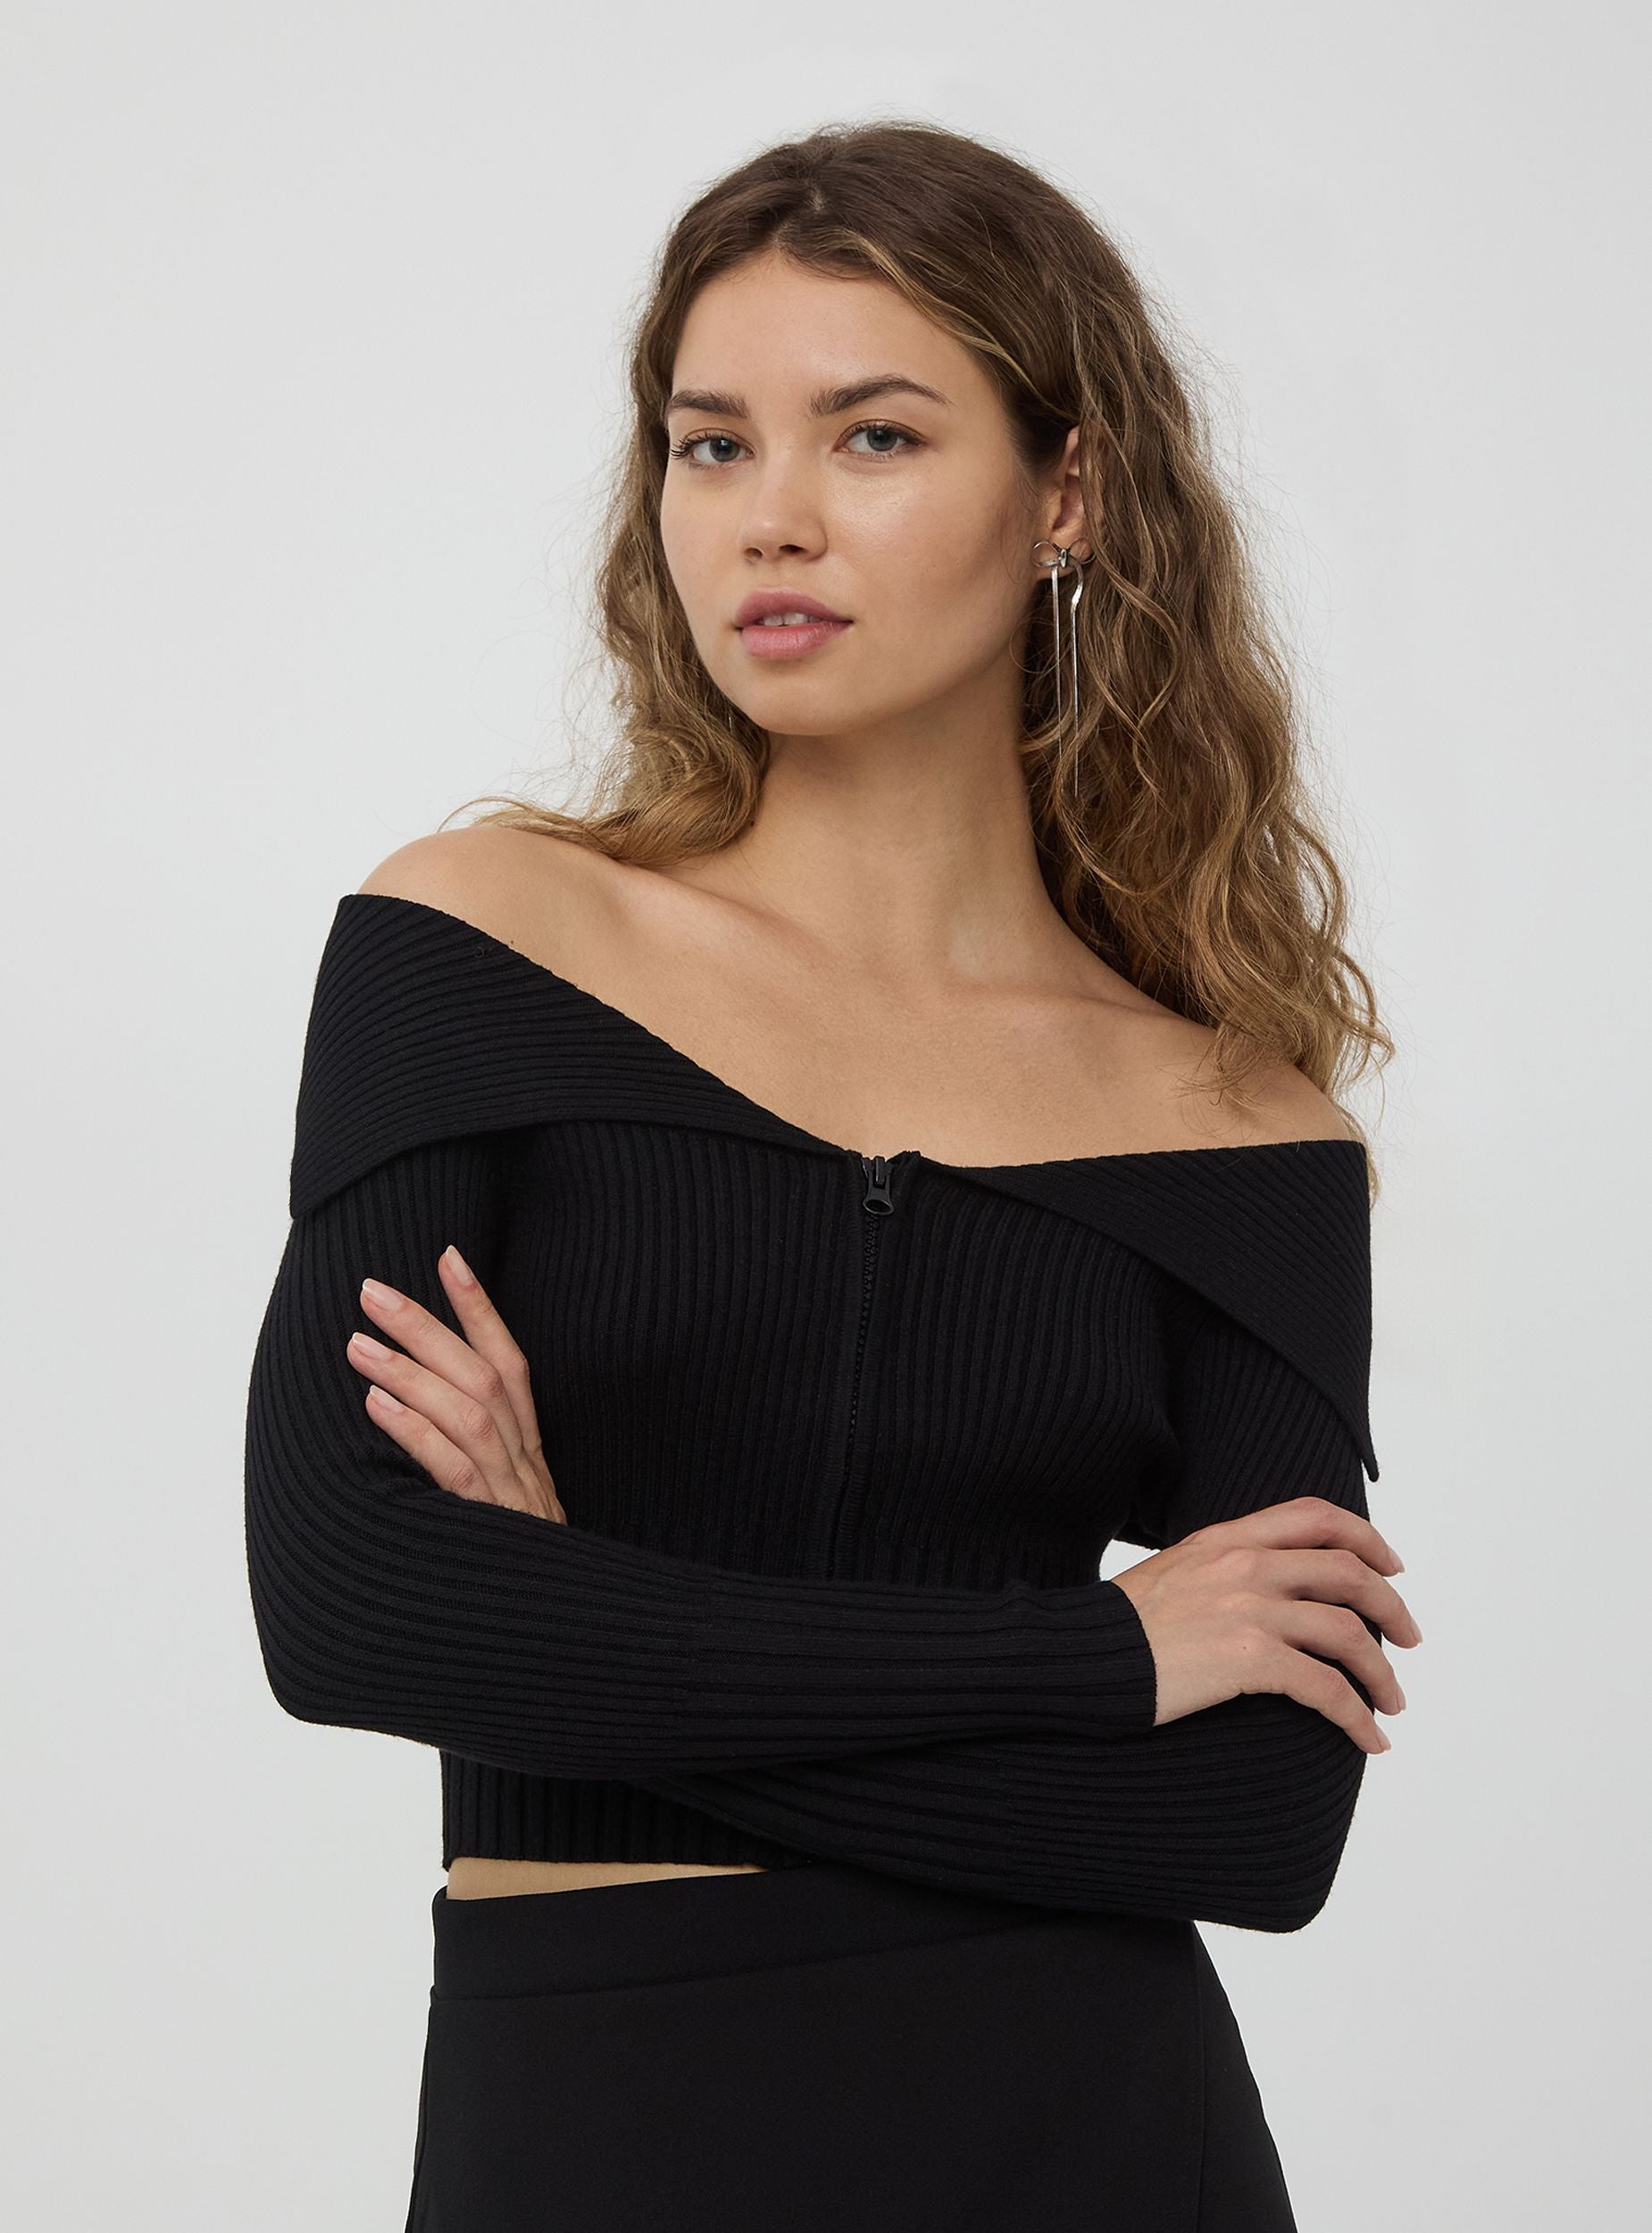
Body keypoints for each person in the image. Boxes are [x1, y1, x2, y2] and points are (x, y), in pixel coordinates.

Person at [244, 119, 1420, 2232]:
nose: (770, 514)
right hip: (589, 2122)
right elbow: (355, 1605)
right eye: (712, 444)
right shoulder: (485, 944)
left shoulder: (1238, 1125)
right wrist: (1093, 1657)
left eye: (873, 435)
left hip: (1088, 2135)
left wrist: (571, 1616)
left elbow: (1249, 1824)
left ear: (1067, 493)